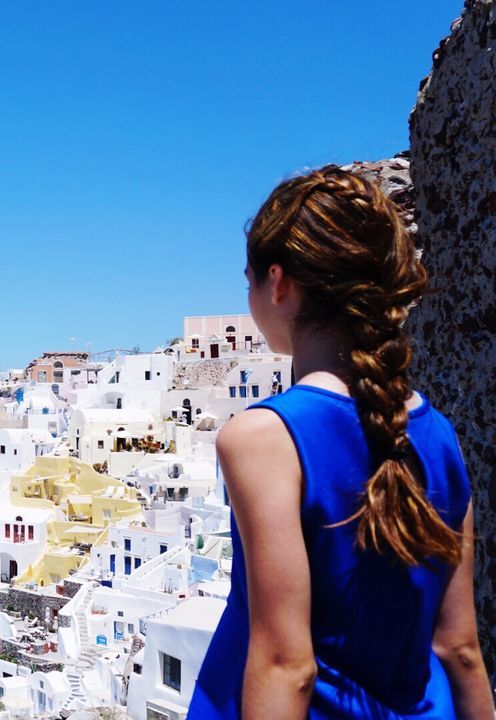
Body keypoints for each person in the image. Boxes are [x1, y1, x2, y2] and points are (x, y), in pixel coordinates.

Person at [188, 166, 493, 719]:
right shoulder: (439, 433)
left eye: (249, 279)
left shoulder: (264, 437)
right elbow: (461, 648)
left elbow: (287, 663)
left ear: (277, 284)